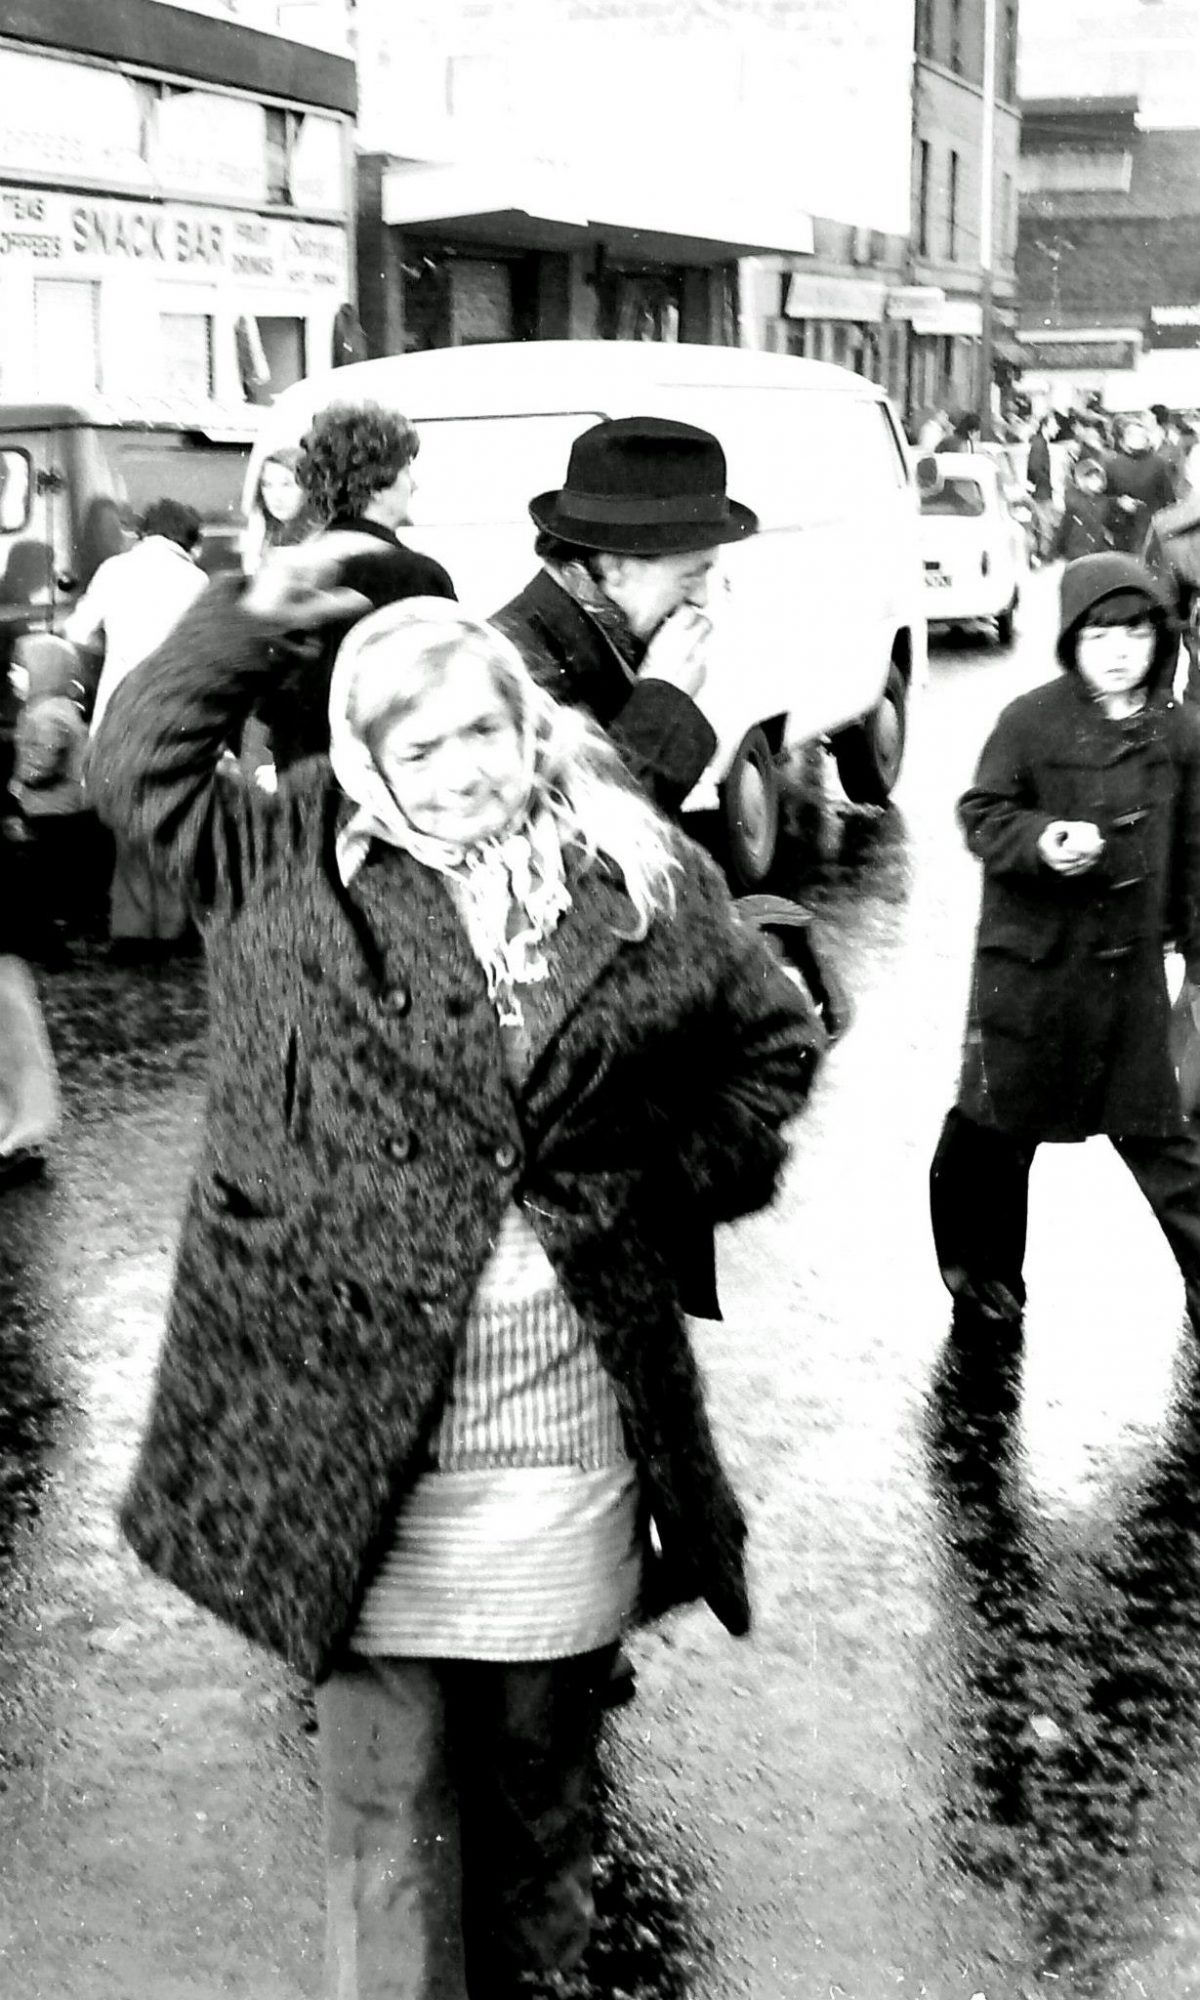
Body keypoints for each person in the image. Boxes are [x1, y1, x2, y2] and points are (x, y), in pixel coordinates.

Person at [87, 540, 825, 2000]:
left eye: (481, 729)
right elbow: (139, 770)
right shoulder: (283, 856)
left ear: (525, 723)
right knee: (384, 1823)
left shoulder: (634, 874)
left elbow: (769, 1040)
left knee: (541, 1809)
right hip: (349, 1448)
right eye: (412, 743)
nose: (454, 767)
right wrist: (240, 629)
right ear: (362, 750)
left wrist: (665, 1183)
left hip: (556, 1451)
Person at [929, 552, 1200, 1339]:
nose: (1119, 651)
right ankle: (982, 1282)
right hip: (1032, 974)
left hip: (1131, 983)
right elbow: (983, 812)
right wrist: (1043, 839)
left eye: (1138, 633)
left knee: (1169, 1146)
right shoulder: (1030, 720)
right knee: (989, 1142)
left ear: (1162, 640)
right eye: (1100, 633)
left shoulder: (1182, 733)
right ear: (1071, 639)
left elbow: (1192, 854)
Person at [493, 416, 756, 818]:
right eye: (691, 576)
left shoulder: (584, 633)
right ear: (615, 567)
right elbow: (586, 842)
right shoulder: (514, 670)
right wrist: (663, 701)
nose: (702, 598)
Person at [254, 401, 457, 773]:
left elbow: (268, 703)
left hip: (302, 787)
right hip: (384, 790)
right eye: (405, 471)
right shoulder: (416, 576)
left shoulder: (289, 570)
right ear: (377, 486)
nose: (414, 484)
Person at [64, 498, 208, 954]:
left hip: (121, 708)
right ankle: (172, 927)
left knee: (127, 818)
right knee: (170, 814)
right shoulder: (197, 580)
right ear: (189, 540)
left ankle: (131, 928)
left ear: (144, 532)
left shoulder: (114, 570)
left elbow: (77, 632)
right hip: (177, 712)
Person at [240, 444, 320, 574]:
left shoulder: (321, 540)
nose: (276, 496)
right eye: (267, 485)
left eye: (286, 484)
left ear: (309, 487)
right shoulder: (264, 534)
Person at [1051, 454, 1116, 562]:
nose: (1095, 481)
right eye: (1090, 478)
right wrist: (1054, 552)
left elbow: (1107, 523)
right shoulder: (1073, 500)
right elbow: (1064, 527)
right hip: (1075, 552)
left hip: (1095, 551)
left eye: (1097, 477)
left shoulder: (1103, 501)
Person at [1026, 414, 1057, 562]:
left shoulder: (1041, 442)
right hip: (1042, 491)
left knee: (1041, 523)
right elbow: (1034, 467)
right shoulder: (1039, 443)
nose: (1057, 428)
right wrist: (1041, 482)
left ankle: (1040, 552)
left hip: (1041, 489)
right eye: (1054, 425)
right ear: (1045, 425)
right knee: (1045, 524)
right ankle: (1044, 553)